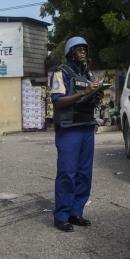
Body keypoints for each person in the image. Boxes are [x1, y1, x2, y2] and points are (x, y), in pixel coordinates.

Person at [50, 36, 103, 232]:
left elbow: (90, 99)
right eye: (79, 48)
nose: (83, 51)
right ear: (70, 52)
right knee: (67, 173)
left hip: (87, 127)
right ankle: (61, 215)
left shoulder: (88, 74)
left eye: (85, 49)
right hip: (69, 129)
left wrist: (97, 97)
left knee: (84, 174)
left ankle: (76, 212)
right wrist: (83, 92)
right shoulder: (60, 73)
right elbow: (58, 101)